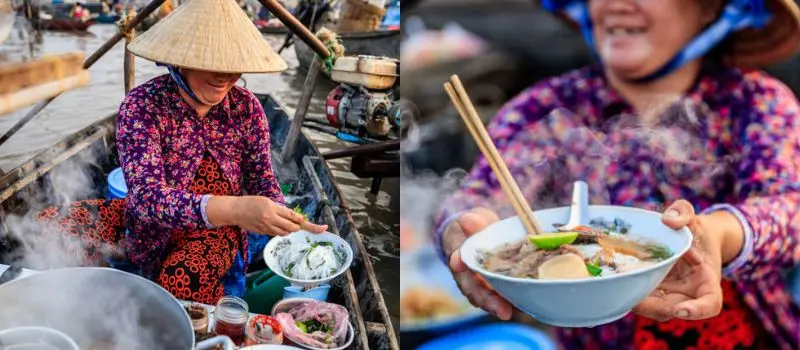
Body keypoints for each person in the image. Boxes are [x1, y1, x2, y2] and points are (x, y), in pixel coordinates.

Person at [435, 0, 800, 349]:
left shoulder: (757, 102)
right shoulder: (546, 107)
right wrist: (461, 226)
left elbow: (790, 207)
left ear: (708, 6)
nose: (616, 3)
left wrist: (719, 234)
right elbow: (481, 194)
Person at [35, 0, 327, 305]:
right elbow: (146, 200)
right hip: (145, 224)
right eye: (210, 63)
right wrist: (237, 208)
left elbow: (262, 180)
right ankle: (90, 308)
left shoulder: (247, 109)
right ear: (181, 59)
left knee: (183, 277)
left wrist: (282, 216)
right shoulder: (143, 105)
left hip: (215, 233)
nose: (224, 77)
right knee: (52, 226)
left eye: (233, 65)